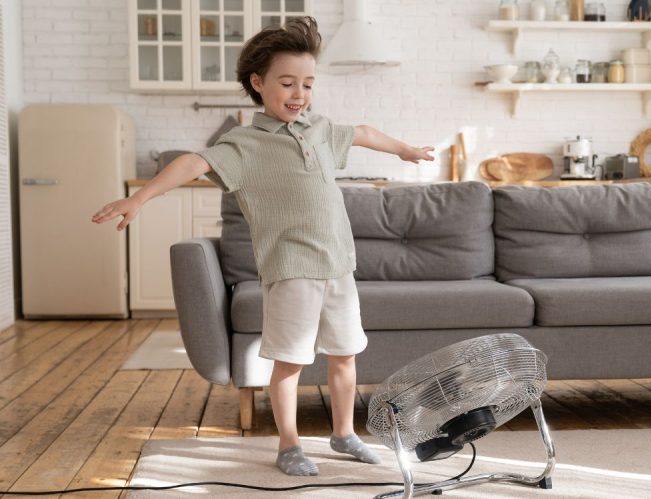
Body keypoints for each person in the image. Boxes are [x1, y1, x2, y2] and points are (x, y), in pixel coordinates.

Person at [92, 17, 434, 476]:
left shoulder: (318, 128)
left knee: (345, 355)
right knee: (290, 363)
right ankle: (289, 444)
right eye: (288, 83)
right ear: (258, 82)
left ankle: (344, 434)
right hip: (292, 270)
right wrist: (140, 197)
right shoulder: (244, 144)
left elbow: (365, 132)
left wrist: (405, 150)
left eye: (308, 84)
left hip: (338, 267)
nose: (299, 94)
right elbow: (193, 162)